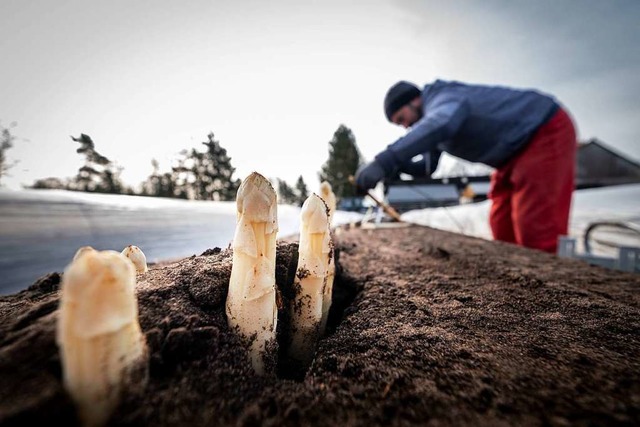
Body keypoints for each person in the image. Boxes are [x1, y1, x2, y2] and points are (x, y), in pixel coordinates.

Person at [355, 79, 577, 254]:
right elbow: (427, 167)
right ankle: (522, 284)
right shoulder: (435, 119)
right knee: (502, 223)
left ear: (414, 101)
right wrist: (398, 168)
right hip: (510, 157)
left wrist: (385, 161)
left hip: (541, 131)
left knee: (536, 228)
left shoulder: (444, 98)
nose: (406, 126)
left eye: (402, 118)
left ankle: (554, 298)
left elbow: (441, 124)